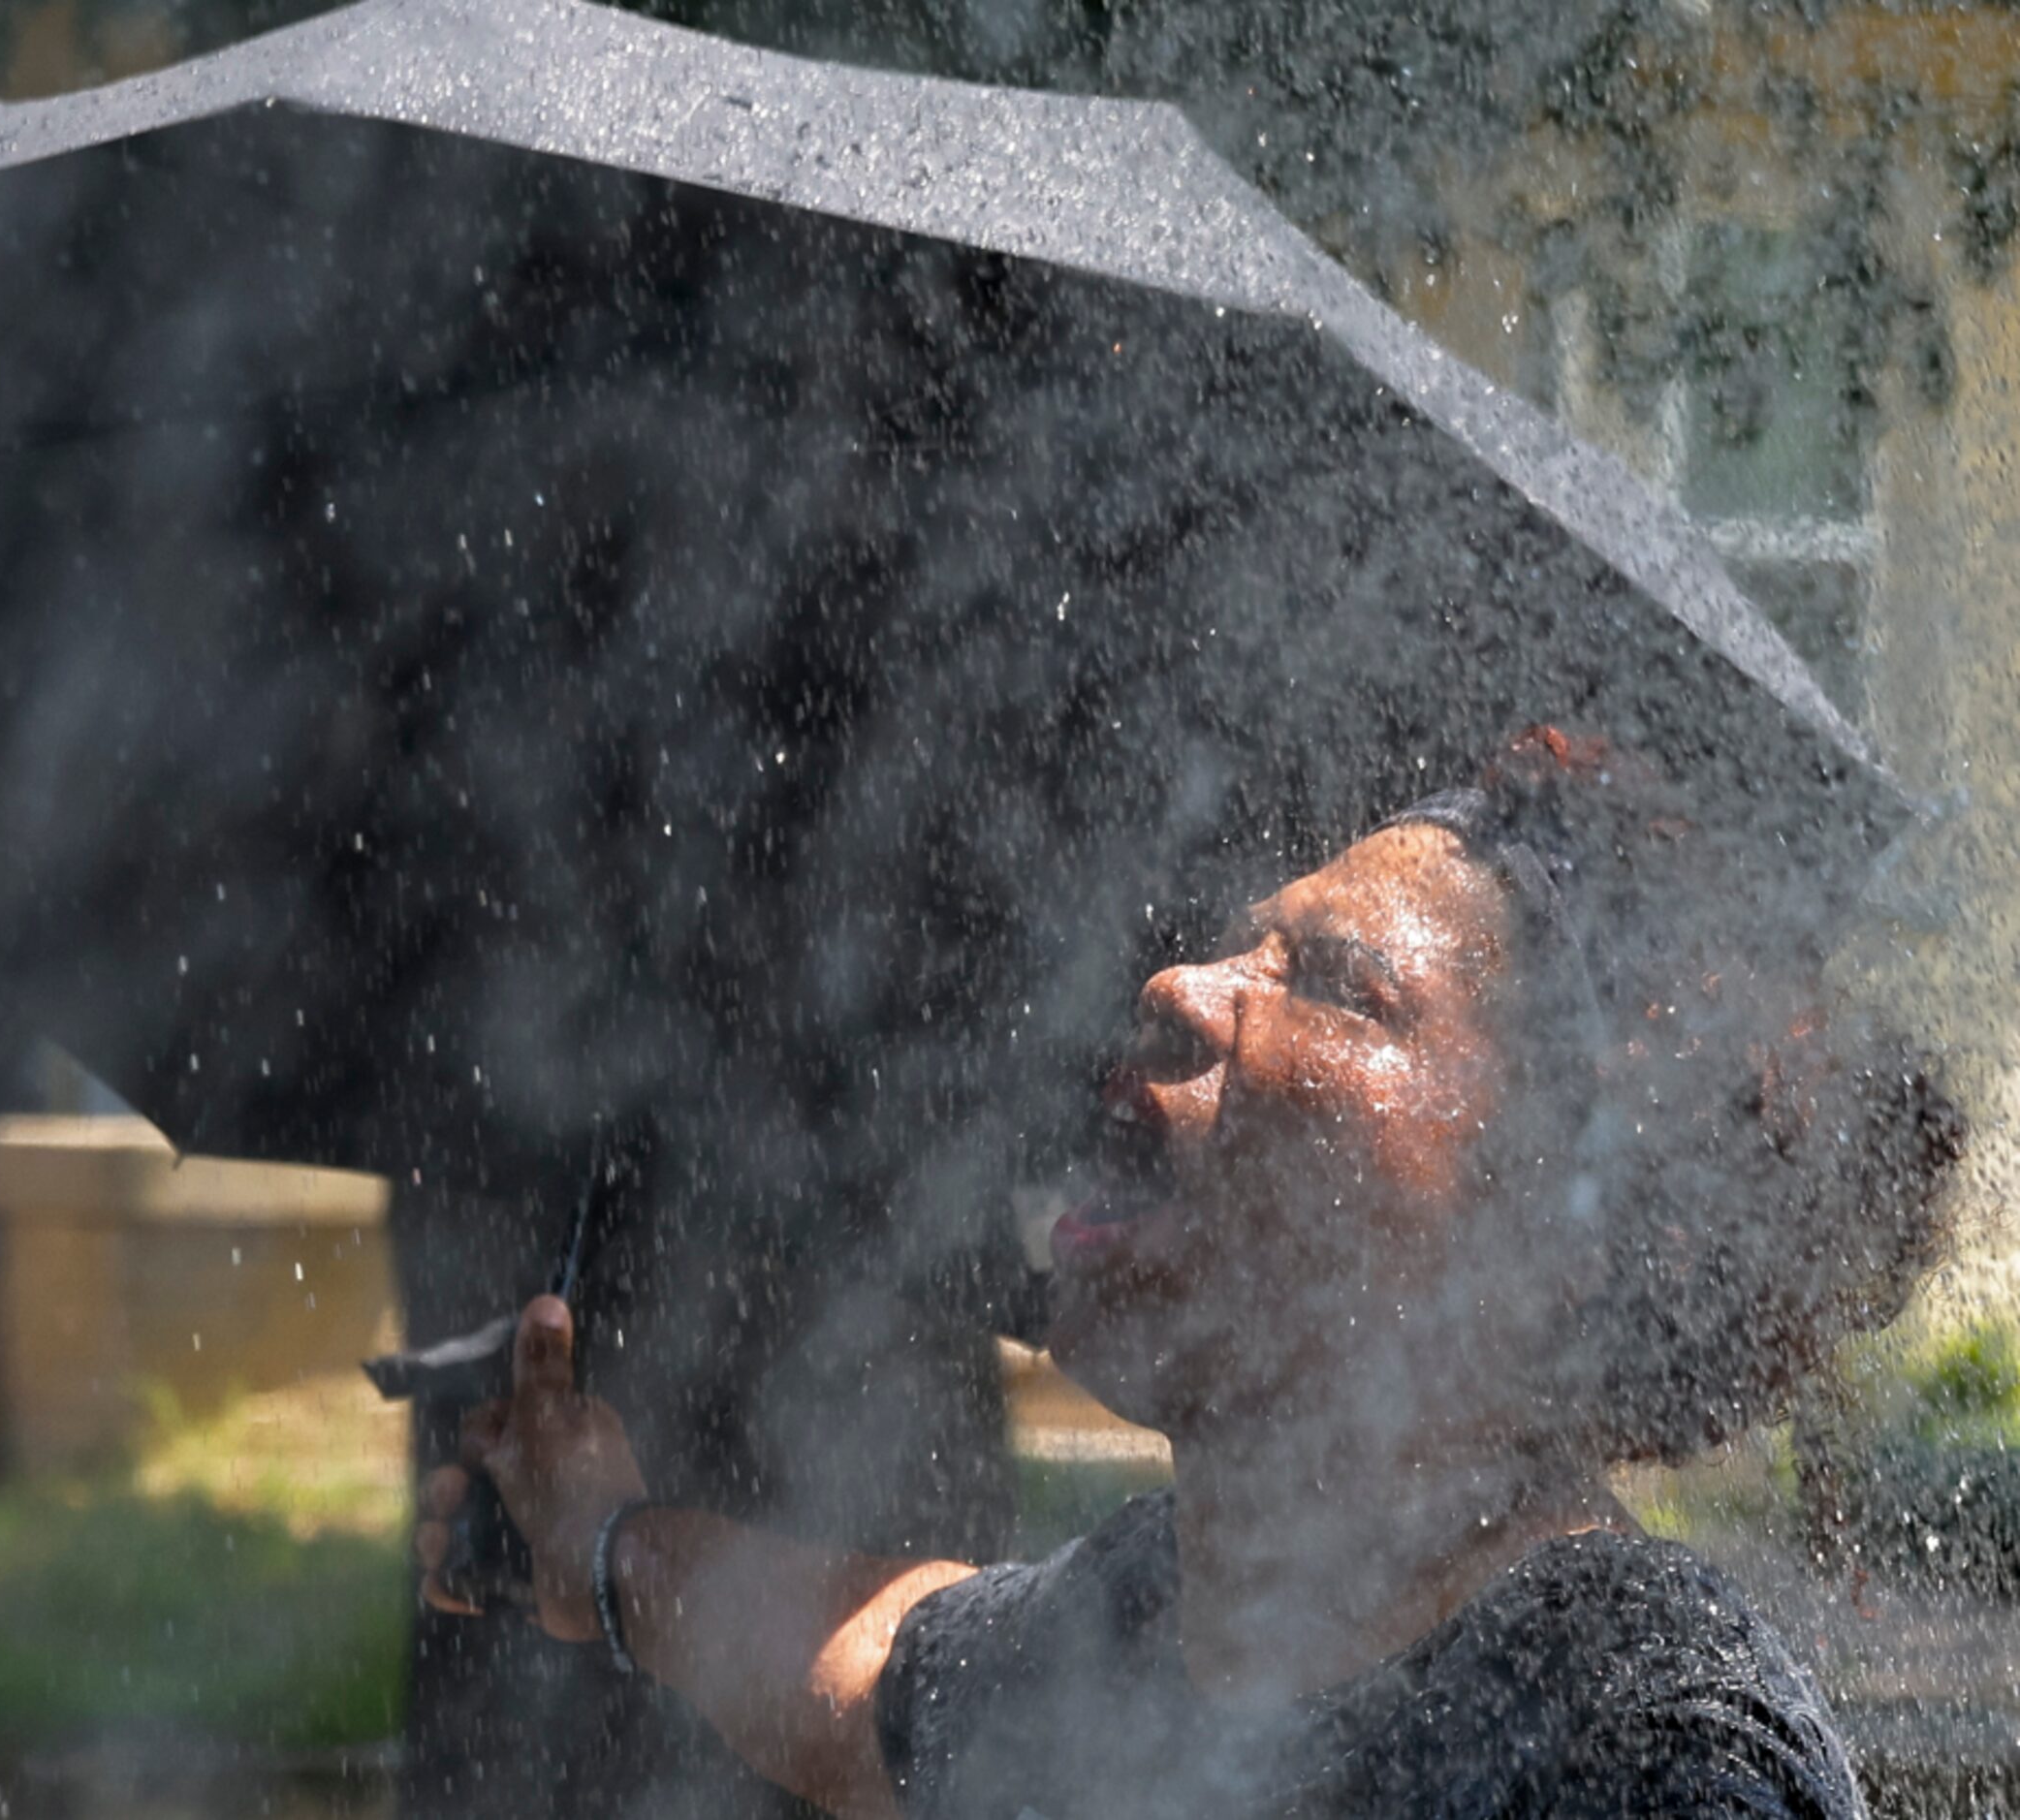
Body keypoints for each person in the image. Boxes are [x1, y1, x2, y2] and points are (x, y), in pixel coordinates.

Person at [414, 728, 1964, 1820]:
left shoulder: (1640, 1743)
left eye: (1344, 985)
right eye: (1244, 943)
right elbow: (869, 1661)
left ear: (1552, 1242)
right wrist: (596, 1541)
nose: (1182, 984)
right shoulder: (1146, 1621)